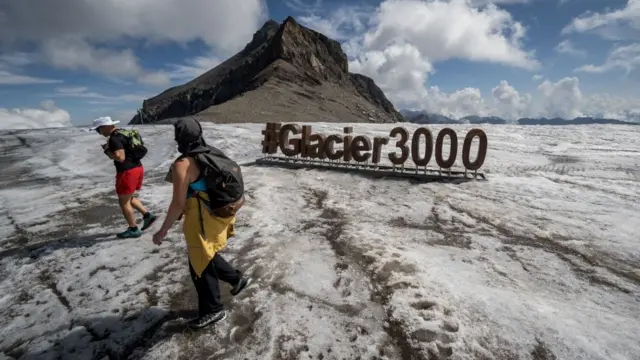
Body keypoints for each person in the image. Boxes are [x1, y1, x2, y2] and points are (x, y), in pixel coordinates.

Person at [151, 118, 251, 330]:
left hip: (200, 219)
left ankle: (213, 310)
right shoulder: (209, 152)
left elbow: (178, 203)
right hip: (218, 213)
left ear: (179, 138)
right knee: (206, 254)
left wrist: (162, 230)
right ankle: (236, 280)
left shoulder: (183, 164)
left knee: (199, 264)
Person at [90, 116, 157, 238]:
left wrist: (107, 151)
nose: (99, 133)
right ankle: (148, 216)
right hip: (138, 168)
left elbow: (120, 158)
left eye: (98, 130)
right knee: (128, 197)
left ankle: (133, 229)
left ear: (104, 127)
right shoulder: (125, 133)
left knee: (123, 201)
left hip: (127, 172)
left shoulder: (114, 138)